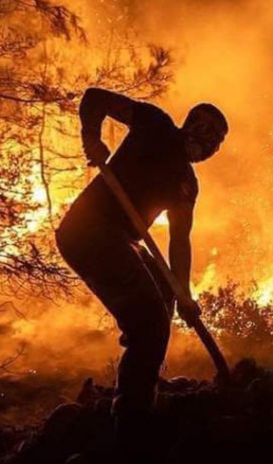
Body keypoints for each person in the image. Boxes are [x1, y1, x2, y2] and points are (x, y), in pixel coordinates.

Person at [55, 87, 228, 449]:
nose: (209, 145)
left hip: (121, 240)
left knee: (161, 295)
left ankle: (141, 379)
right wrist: (92, 137)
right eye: (208, 132)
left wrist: (183, 293)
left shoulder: (185, 185)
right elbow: (94, 99)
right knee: (149, 322)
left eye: (216, 142)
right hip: (89, 231)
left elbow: (179, 242)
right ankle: (131, 426)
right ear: (191, 125)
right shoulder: (156, 125)